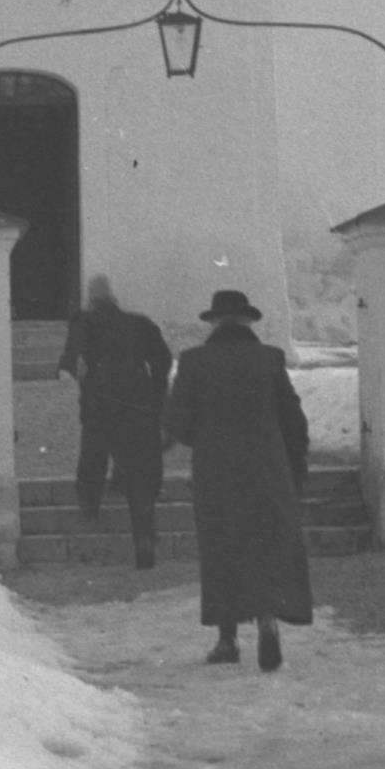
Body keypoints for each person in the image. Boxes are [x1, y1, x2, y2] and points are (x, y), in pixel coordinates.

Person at [162, 287, 312, 670]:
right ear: (248, 321)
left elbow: (177, 422)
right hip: (267, 468)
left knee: (223, 549)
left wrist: (205, 439)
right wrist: (294, 464)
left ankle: (227, 640)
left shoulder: (194, 361)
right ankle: (267, 617)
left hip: (216, 471)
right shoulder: (269, 359)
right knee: (265, 543)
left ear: (214, 322)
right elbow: (294, 420)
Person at [57, 274, 175, 567]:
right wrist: (155, 394)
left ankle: (90, 506)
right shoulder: (140, 323)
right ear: (114, 298)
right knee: (140, 470)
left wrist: (67, 367)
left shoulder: (85, 320)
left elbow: (74, 348)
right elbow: (163, 360)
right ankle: (144, 538)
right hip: (138, 404)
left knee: (94, 455)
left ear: (91, 299)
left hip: (101, 403)